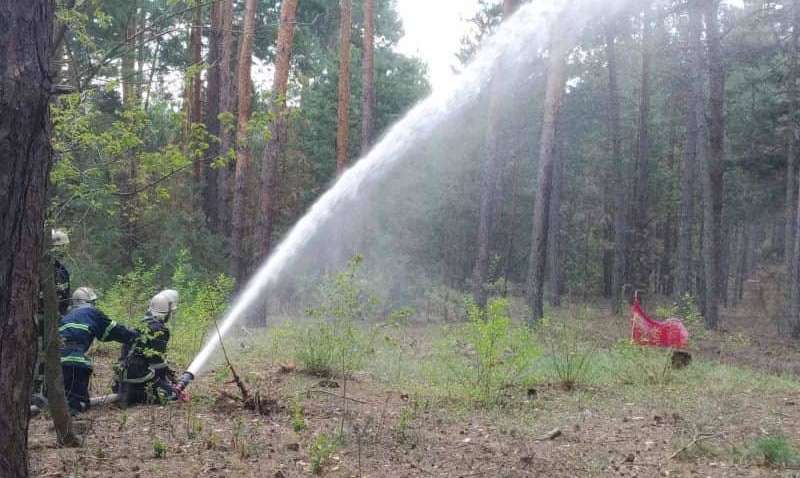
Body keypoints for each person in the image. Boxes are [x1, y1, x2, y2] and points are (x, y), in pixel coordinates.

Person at [60, 287, 138, 414]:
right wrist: (133, 335)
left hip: (57, 362)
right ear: (89, 302)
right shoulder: (92, 313)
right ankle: (70, 425)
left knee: (65, 396)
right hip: (75, 361)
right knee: (79, 403)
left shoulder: (66, 316)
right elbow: (114, 330)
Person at [115, 289, 182, 405]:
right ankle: (140, 396)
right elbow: (157, 364)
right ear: (167, 312)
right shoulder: (159, 329)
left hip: (122, 383)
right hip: (140, 382)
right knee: (172, 395)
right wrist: (166, 385)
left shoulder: (139, 325)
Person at [32, 229, 72, 407]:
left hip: (48, 319)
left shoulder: (53, 268)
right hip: (44, 320)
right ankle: (37, 393)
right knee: (42, 355)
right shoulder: (50, 269)